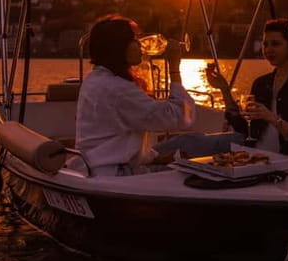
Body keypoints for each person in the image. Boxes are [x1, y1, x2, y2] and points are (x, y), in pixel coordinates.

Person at [73, 15, 196, 176]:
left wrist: (157, 158)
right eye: (134, 40)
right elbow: (179, 117)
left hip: (97, 166)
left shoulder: (95, 79)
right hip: (118, 177)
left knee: (191, 142)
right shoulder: (118, 90)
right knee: (196, 145)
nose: (141, 45)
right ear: (119, 47)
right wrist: (174, 67)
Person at [205, 18, 288, 156]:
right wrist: (224, 89)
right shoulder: (261, 83)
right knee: (188, 141)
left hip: (284, 158)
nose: (268, 50)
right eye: (265, 44)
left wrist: (272, 118)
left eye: (275, 44)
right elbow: (242, 128)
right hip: (251, 153)